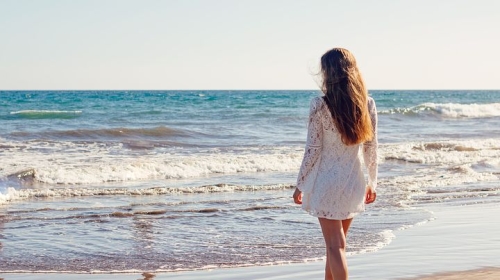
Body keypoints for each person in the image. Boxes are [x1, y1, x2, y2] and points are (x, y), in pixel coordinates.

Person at [293, 47, 378, 280]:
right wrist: (372, 181)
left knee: (335, 246)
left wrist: (300, 184)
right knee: (337, 246)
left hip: (326, 184)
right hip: (354, 182)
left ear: (329, 73)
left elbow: (313, 150)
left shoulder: (319, 105)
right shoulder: (367, 104)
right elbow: (371, 147)